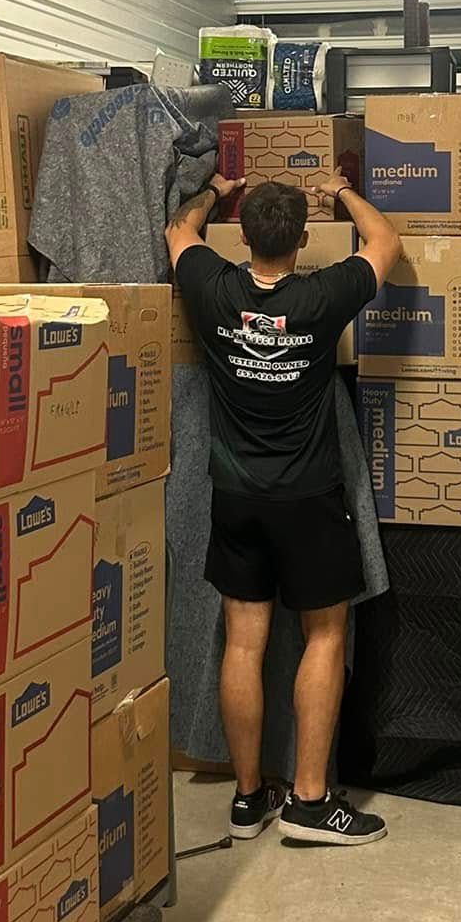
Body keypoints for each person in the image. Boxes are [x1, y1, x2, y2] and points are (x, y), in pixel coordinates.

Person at [167, 167, 401, 847]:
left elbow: (178, 230)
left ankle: (247, 800)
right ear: (302, 240)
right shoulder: (324, 296)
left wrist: (215, 187)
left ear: (241, 235)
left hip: (236, 496)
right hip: (309, 498)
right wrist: (344, 191)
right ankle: (308, 800)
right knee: (323, 635)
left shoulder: (210, 287)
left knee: (245, 640)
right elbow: (385, 240)